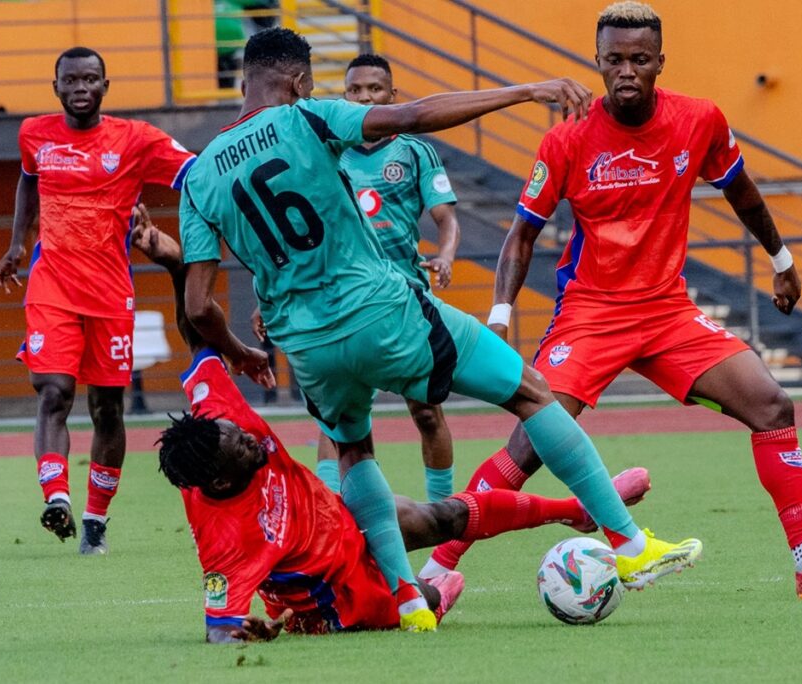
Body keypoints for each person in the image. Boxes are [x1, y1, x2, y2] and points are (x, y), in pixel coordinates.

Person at [178, 27, 701, 633]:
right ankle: (632, 546)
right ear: (297, 81)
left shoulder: (196, 177)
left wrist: (240, 351)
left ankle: (407, 601)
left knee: (352, 449)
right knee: (531, 392)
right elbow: (417, 114)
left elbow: (197, 306)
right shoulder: (306, 118)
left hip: (306, 346)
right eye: (311, 82)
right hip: (381, 311)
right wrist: (527, 90)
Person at [422, 2, 802, 600]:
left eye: (640, 59)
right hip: (590, 313)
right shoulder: (566, 140)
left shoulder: (700, 120)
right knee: (531, 443)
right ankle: (432, 572)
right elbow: (521, 236)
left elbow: (741, 191)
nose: (627, 71)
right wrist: (501, 317)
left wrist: (782, 260)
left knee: (772, 405)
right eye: (614, 59)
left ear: (660, 62)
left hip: (667, 312)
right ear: (597, 61)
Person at [130, 209, 652, 642]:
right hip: (339, 595)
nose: (250, 436)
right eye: (241, 448)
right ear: (220, 481)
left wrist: (177, 264)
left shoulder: (219, 416)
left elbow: (198, 338)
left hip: (332, 513)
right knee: (429, 599)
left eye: (237, 431)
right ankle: (437, 592)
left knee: (439, 516)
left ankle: (575, 511)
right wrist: (259, 632)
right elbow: (219, 628)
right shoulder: (224, 539)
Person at [0, 46, 196, 555]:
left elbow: (196, 173)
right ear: (55, 86)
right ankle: (55, 495)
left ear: (106, 85)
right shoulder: (34, 134)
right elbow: (29, 178)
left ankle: (95, 522)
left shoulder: (136, 140)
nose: (80, 88)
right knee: (54, 392)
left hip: (109, 291)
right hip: (52, 283)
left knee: (108, 408)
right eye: (71, 80)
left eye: (91, 79)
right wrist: (17, 242)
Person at [251, 53, 462, 501]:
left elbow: (446, 217)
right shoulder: (329, 149)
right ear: (344, 95)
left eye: (374, 90)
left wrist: (444, 256)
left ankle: (443, 510)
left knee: (426, 412)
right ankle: (330, 512)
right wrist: (267, 297)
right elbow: (294, 232)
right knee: (337, 416)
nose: (364, 97)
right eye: (355, 90)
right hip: (339, 294)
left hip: (405, 293)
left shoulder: (414, 151)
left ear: (391, 96)